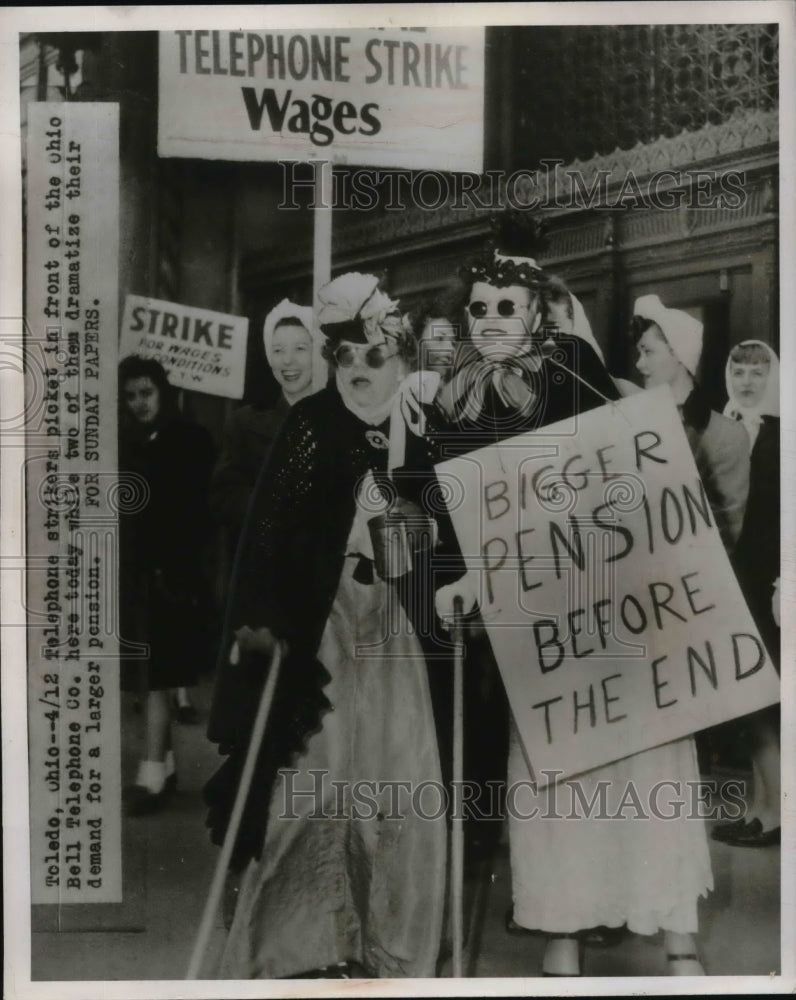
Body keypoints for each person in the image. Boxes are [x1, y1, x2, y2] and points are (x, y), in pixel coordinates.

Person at [434, 222, 716, 977]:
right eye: (482, 310)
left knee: (641, 763)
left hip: (612, 604)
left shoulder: (577, 367)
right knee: (553, 773)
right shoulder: (457, 402)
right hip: (535, 624)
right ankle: (564, 921)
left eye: (510, 308)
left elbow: (631, 474)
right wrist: (463, 574)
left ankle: (674, 931)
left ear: (537, 314)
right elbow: (459, 511)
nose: (494, 322)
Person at [204, 273, 447, 979]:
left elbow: (443, 536)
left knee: (397, 783)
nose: (359, 373)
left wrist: (426, 542)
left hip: (393, 629)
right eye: (344, 360)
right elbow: (269, 535)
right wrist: (266, 620)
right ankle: (297, 947)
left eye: (373, 358)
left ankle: (385, 946)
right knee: (317, 783)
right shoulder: (311, 425)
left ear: (398, 356)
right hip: (324, 630)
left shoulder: (416, 428)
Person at [118, 356, 216, 815]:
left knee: (156, 676)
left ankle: (152, 772)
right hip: (136, 572)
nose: (139, 403)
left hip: (172, 574)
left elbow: (196, 513)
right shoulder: (126, 441)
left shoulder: (190, 440)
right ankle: (168, 763)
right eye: (132, 395)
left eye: (147, 393)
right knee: (145, 675)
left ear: (164, 392)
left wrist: (177, 567)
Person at [712, 340, 780, 847]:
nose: (747, 380)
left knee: (764, 702)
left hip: (771, 581)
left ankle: (778, 811)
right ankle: (760, 807)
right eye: (739, 370)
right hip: (736, 574)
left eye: (758, 372)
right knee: (750, 698)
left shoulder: (784, 432)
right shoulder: (723, 427)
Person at [209, 299, 326, 556]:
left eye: (300, 349)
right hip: (266, 564)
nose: (288, 361)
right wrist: (270, 507)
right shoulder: (245, 422)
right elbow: (223, 496)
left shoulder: (338, 420)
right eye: (278, 350)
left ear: (318, 352)